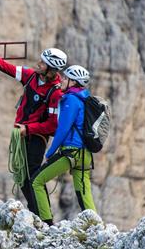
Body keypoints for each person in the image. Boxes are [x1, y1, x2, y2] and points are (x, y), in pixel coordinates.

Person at [0, 37, 67, 216]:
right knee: (22, 177)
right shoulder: (31, 77)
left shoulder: (55, 93)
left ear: (50, 69)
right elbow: (8, 68)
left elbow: (52, 125)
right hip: (22, 133)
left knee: (33, 177)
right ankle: (36, 211)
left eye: (43, 63)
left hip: (36, 138)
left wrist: (29, 129)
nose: (38, 64)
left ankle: (44, 216)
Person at [31, 65, 97, 226]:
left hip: (71, 153)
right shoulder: (83, 98)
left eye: (66, 78)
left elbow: (63, 129)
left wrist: (50, 152)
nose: (63, 80)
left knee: (36, 181)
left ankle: (47, 223)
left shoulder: (71, 100)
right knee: (84, 192)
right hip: (85, 155)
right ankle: (96, 226)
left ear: (73, 82)